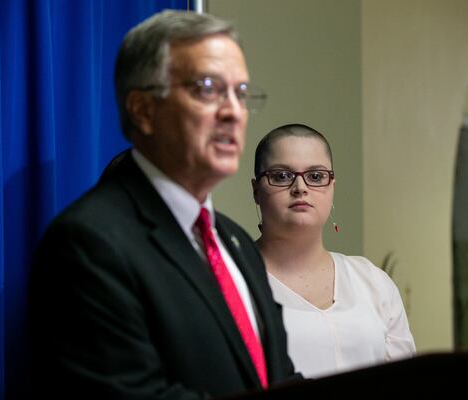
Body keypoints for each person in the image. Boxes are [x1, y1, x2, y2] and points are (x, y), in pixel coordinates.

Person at [28, 10, 298, 400]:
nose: (233, 112)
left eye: (240, 93)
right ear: (143, 109)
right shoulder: (88, 244)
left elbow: (278, 378)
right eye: (208, 88)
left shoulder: (235, 242)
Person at [251, 123, 415, 378]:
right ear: (256, 190)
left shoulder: (371, 281)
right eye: (281, 176)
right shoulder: (235, 281)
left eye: (316, 176)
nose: (300, 188)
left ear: (332, 186)